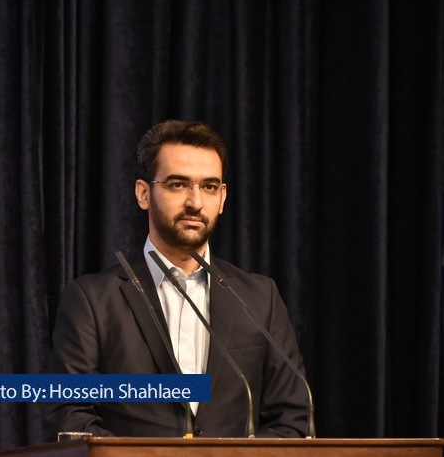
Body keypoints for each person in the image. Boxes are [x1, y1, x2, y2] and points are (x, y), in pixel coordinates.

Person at [44, 119, 309, 439]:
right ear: (143, 193)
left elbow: (292, 419)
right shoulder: (92, 301)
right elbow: (69, 414)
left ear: (223, 198)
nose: (195, 202)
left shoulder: (259, 299)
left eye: (209, 187)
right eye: (178, 184)